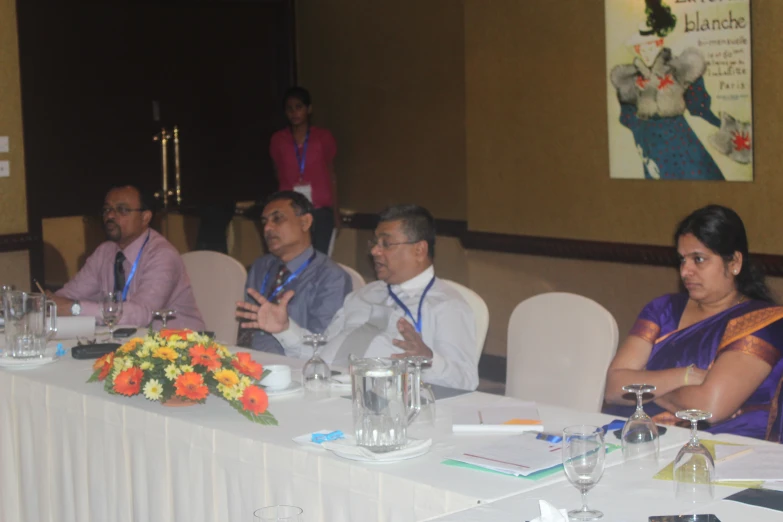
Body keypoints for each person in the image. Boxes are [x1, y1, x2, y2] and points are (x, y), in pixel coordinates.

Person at [236, 204, 479, 390]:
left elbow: (466, 381)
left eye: (386, 243)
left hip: (384, 407)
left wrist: (427, 360)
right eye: (375, 242)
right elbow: (319, 352)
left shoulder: (447, 305)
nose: (374, 250)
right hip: (323, 391)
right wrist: (284, 329)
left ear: (419, 249)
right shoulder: (363, 294)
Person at [604, 205, 783, 441]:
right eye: (682, 260)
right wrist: (685, 376)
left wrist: (645, 389)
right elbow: (614, 386)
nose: (686, 271)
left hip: (726, 450)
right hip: (645, 439)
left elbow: (709, 407)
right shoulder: (663, 309)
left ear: (735, 262)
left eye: (699, 259)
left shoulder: (762, 322)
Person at [51, 184, 205, 331]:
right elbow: (67, 296)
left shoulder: (162, 255)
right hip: (131, 344)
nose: (110, 215)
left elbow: (142, 313)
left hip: (180, 347)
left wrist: (75, 309)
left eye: (122, 210)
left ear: (145, 217)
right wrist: (48, 304)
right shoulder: (104, 252)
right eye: (107, 209)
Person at [237, 190, 351, 354]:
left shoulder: (331, 277)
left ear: (305, 222)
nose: (267, 228)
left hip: (292, 367)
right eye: (265, 222)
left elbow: (322, 346)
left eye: (277, 219)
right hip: (246, 361)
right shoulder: (261, 266)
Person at [269, 86, 339, 255]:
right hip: (290, 211)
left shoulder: (323, 137)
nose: (294, 113)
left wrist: (336, 212)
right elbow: (278, 172)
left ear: (309, 109)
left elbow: (331, 173)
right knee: (292, 257)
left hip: (320, 209)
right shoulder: (278, 139)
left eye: (299, 107)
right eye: (289, 109)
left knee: (319, 259)